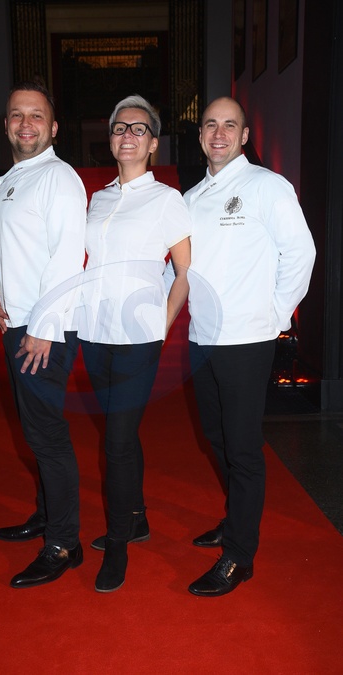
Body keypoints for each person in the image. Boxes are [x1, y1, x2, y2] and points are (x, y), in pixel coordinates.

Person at [183, 96, 316, 597]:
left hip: (247, 340)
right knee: (215, 438)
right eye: (210, 125)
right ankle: (235, 517)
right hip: (201, 339)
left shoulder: (267, 186)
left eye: (229, 125)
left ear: (243, 136)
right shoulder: (191, 197)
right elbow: (179, 268)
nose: (218, 133)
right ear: (201, 135)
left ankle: (239, 555)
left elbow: (301, 252)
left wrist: (275, 315)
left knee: (241, 447)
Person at [77, 95, 191, 592]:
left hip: (137, 336)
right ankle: (138, 516)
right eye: (120, 127)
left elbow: (184, 273)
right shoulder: (97, 199)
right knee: (119, 433)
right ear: (110, 138)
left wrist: (161, 324)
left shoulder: (167, 200)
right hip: (93, 332)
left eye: (139, 128)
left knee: (117, 443)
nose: (128, 134)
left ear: (153, 143)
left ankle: (119, 543)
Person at [0, 81, 87, 588]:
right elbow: (8, 250)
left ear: (53, 127)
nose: (26, 124)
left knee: (46, 436)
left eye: (36, 115)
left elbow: (67, 256)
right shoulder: (10, 179)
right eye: (17, 115)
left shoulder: (58, 178)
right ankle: (48, 516)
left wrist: (44, 328)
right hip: (18, 322)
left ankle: (65, 543)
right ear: (6, 125)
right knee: (35, 432)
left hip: (43, 328)